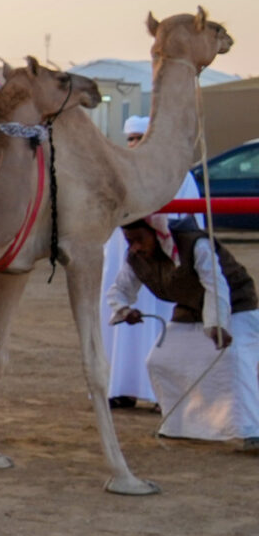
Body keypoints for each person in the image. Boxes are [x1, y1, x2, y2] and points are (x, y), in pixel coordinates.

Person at [112, 210, 259, 450]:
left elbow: (216, 285)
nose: (135, 247)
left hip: (236, 305)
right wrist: (124, 309)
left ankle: (251, 430)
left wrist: (217, 324)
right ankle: (178, 425)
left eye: (139, 239)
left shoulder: (195, 244)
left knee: (233, 359)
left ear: (157, 233)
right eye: (130, 241)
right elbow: (120, 289)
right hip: (189, 308)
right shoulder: (135, 257)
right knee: (159, 361)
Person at [99, 116, 194, 408]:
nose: (134, 144)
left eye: (140, 138)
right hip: (123, 256)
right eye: (130, 139)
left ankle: (160, 394)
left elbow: (189, 220)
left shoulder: (178, 174)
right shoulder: (118, 172)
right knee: (120, 319)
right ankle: (120, 388)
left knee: (162, 323)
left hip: (165, 259)